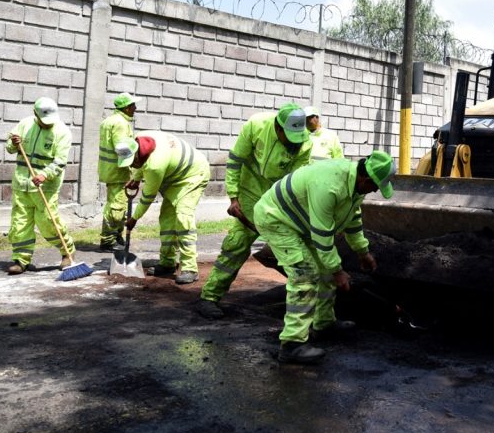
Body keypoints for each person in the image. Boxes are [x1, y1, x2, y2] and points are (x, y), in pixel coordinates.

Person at [256, 151, 392, 364]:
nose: (375, 191)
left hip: (301, 223)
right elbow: (322, 235)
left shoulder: (355, 186)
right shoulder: (329, 186)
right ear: (365, 178)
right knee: (305, 275)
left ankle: (324, 324)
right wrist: (338, 271)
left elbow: (353, 219)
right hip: (276, 219)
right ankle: (292, 344)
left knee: (326, 272)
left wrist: (363, 252)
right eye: (375, 186)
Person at [198, 103, 313, 316]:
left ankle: (311, 305)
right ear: (278, 127)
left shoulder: (304, 142)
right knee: (238, 243)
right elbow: (235, 161)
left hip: (278, 195)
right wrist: (233, 197)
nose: (293, 142)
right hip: (250, 190)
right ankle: (209, 297)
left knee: (293, 248)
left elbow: (296, 182)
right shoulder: (256, 126)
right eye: (288, 136)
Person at [117, 131, 211, 285]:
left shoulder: (155, 166)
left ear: (136, 155)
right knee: (166, 220)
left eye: (132, 163)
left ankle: (190, 268)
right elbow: (141, 161)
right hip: (175, 177)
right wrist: (136, 178)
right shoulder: (139, 141)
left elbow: (148, 197)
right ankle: (167, 263)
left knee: (183, 218)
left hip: (193, 174)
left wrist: (134, 218)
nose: (131, 166)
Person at [4, 97, 76, 274]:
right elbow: (10, 148)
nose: (46, 124)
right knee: (20, 223)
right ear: (35, 113)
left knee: (47, 222)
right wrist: (13, 144)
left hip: (45, 187)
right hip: (22, 183)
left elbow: (60, 162)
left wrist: (45, 175)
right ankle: (21, 260)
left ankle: (67, 252)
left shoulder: (63, 132)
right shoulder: (24, 125)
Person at [97, 92, 137, 250]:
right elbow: (122, 149)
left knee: (118, 204)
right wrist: (134, 167)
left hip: (110, 169)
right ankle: (108, 240)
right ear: (126, 108)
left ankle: (116, 235)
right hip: (118, 170)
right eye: (133, 105)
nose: (135, 108)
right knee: (116, 207)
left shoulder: (109, 121)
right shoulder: (120, 123)